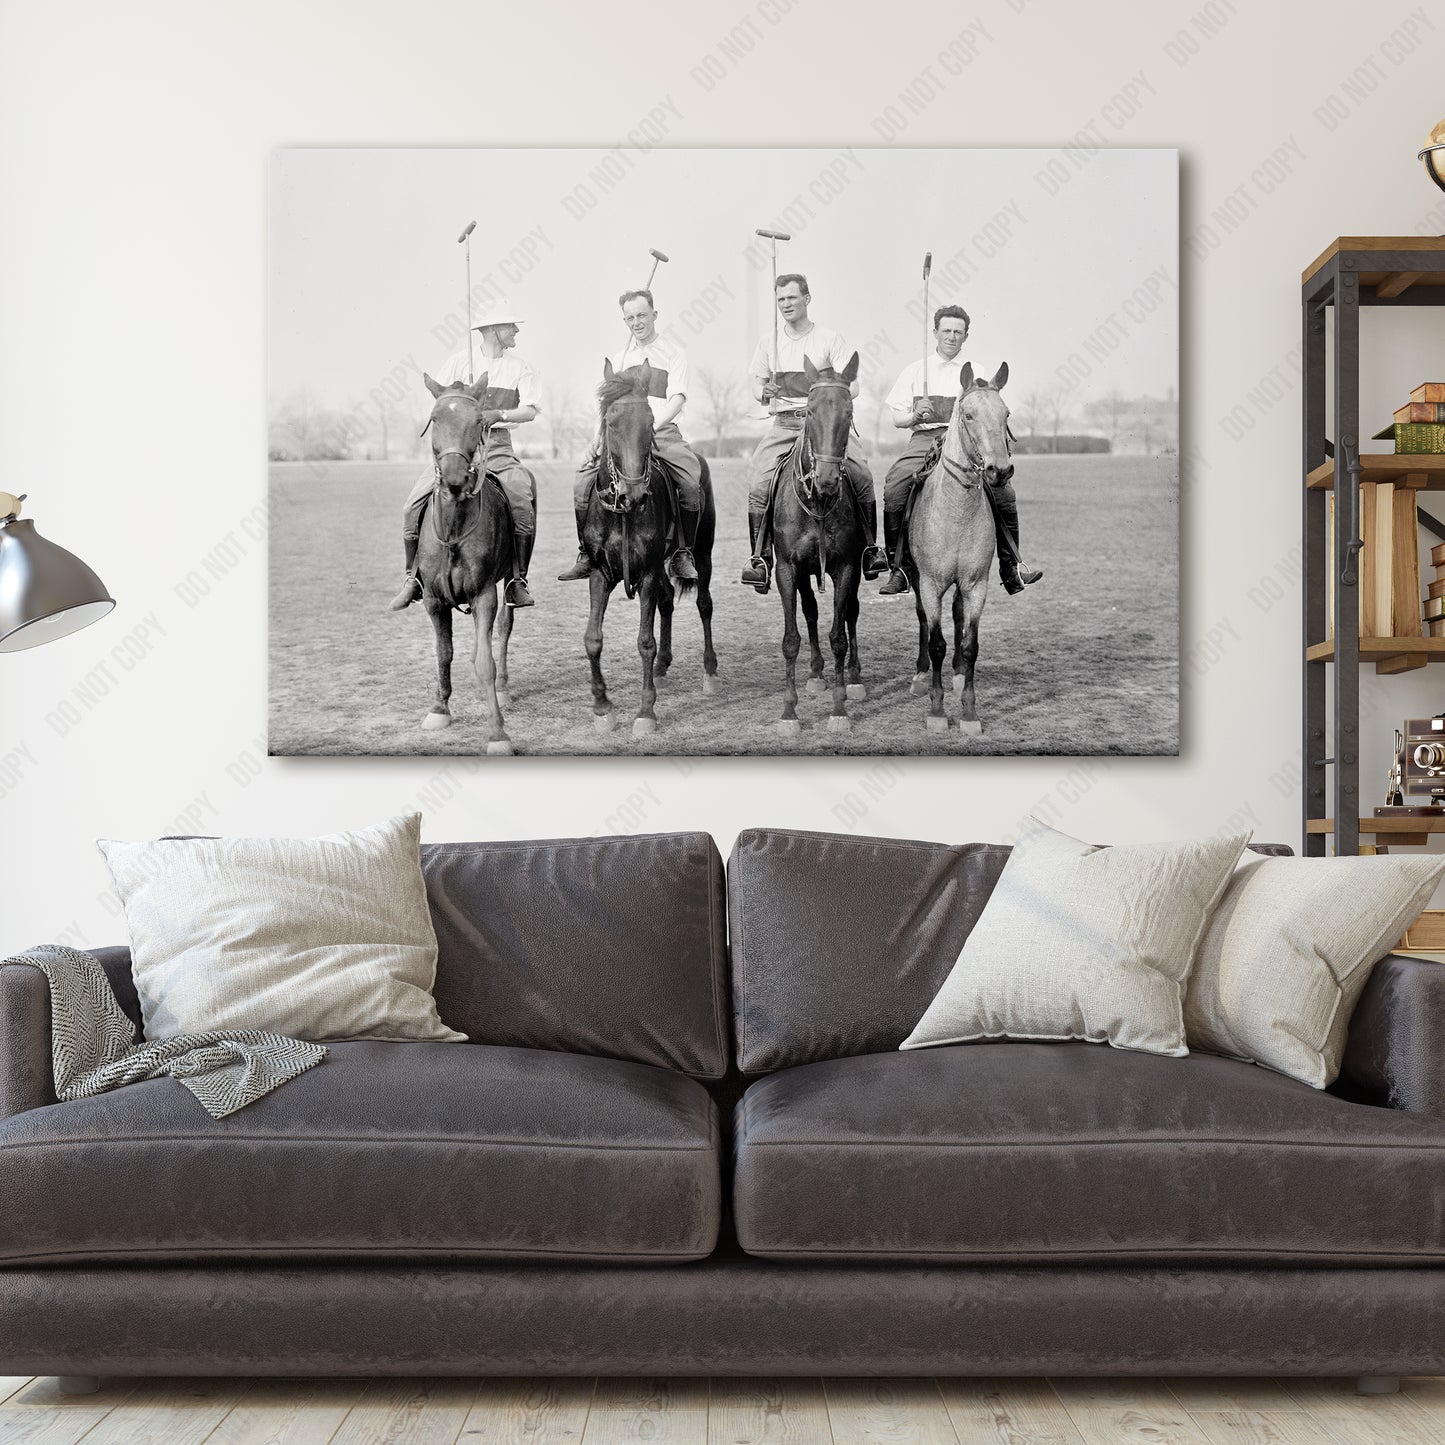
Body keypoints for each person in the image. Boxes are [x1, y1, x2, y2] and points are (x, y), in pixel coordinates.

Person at [877, 304, 1041, 597]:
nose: (951, 337)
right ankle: (898, 567)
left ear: (966, 335)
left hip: (967, 442)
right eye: (946, 331)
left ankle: (1011, 566)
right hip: (925, 439)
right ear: (935, 333)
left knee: (1004, 492)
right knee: (895, 487)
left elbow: (988, 414)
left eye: (958, 332)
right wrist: (915, 415)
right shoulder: (916, 370)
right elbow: (897, 418)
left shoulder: (976, 371)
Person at [740, 272, 888, 593]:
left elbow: (853, 384)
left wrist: (829, 389)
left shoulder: (830, 339)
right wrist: (764, 390)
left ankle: (870, 550)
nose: (785, 304)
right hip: (784, 424)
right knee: (758, 481)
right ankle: (760, 558)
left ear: (807, 299)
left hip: (824, 426)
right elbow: (755, 385)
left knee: (861, 473)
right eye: (780, 299)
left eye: (792, 297)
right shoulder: (769, 342)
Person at [390, 302, 541, 610]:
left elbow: (530, 410)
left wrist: (495, 413)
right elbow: (440, 404)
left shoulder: (520, 367)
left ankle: (516, 581)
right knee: (411, 507)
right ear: (494, 331)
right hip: (457, 451)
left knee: (522, 501)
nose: (516, 331)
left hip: (497, 446)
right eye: (511, 326)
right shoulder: (459, 361)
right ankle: (414, 578)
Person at [557, 288, 701, 583]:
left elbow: (677, 400)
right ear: (625, 321)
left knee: (689, 483)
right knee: (582, 481)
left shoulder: (675, 353)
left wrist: (649, 428)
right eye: (630, 317)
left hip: (663, 432)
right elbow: (608, 410)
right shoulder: (620, 358)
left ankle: (682, 552)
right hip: (622, 438)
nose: (637, 322)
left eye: (642, 316)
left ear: (654, 315)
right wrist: (597, 439)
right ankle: (586, 552)